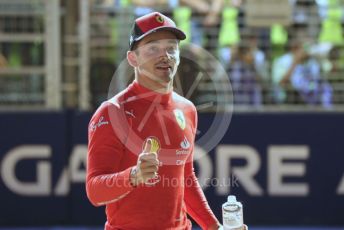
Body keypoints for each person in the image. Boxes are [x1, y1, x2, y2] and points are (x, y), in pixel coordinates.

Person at [86, 12, 247, 230]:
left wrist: (214, 227)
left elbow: (185, 177)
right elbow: (95, 192)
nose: (166, 55)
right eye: (153, 48)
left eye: (172, 47)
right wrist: (134, 175)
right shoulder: (112, 112)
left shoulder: (187, 109)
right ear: (133, 58)